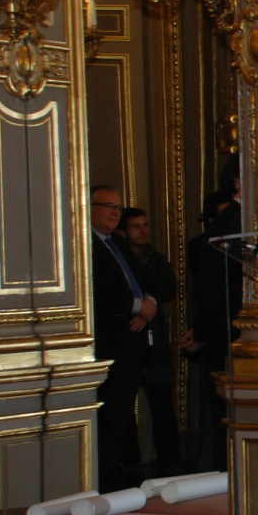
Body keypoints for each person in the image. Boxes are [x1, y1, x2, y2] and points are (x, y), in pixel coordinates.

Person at [90, 186, 155, 492]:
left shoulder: (117, 243)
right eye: (107, 206)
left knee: (124, 411)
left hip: (133, 340)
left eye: (118, 206)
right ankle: (109, 478)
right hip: (109, 341)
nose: (115, 212)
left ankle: (126, 473)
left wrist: (147, 305)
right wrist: (136, 306)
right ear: (89, 208)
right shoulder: (87, 244)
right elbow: (101, 292)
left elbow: (143, 281)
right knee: (111, 413)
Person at [185, 157, 241, 473]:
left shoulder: (248, 217)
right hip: (229, 336)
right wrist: (202, 332)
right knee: (225, 420)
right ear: (237, 181)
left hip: (231, 334)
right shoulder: (228, 223)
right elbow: (209, 285)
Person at [118, 207, 182, 475]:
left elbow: (168, 288)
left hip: (156, 345)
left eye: (145, 225)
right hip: (127, 338)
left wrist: (149, 307)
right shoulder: (118, 257)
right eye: (136, 226)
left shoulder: (156, 259)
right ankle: (130, 465)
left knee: (163, 407)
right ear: (123, 231)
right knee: (124, 408)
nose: (143, 231)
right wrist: (140, 309)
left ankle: (171, 466)